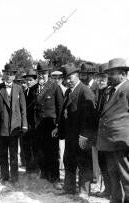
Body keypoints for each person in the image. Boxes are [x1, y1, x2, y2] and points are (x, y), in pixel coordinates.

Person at [58, 63, 97, 196]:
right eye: (66, 78)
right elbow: (65, 112)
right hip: (70, 135)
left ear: (77, 75)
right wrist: (59, 127)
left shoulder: (85, 91)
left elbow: (90, 116)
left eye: (70, 77)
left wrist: (84, 135)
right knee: (68, 161)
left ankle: (84, 192)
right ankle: (68, 188)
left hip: (81, 136)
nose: (68, 80)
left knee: (83, 164)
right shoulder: (69, 91)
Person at [0, 63, 27, 186]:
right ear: (4, 75)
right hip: (2, 125)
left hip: (15, 126)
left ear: (14, 76)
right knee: (3, 153)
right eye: (7, 74)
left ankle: (15, 178)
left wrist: (24, 124)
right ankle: (4, 177)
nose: (9, 76)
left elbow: (23, 108)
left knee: (14, 153)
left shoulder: (19, 88)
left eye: (11, 74)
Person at [97, 58, 129, 203]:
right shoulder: (110, 90)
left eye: (112, 73)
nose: (109, 76)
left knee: (125, 177)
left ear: (123, 74)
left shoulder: (127, 89)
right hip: (109, 141)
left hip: (122, 142)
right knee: (113, 175)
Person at [28, 62, 63, 187]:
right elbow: (30, 110)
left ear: (48, 74)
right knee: (39, 152)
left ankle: (55, 178)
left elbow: (60, 107)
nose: (41, 76)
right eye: (39, 73)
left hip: (50, 126)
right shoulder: (32, 89)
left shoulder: (54, 87)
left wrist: (58, 126)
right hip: (37, 127)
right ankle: (44, 174)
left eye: (43, 73)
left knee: (52, 153)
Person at [93, 62, 111, 199]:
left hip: (111, 136)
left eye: (103, 78)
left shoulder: (112, 92)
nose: (100, 80)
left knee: (112, 165)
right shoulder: (98, 92)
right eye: (98, 77)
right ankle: (108, 190)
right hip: (100, 136)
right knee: (102, 162)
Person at [22, 69, 39, 174]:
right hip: (26, 123)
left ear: (35, 80)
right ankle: (29, 168)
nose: (28, 82)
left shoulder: (37, 91)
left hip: (35, 124)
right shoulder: (25, 91)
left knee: (35, 147)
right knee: (26, 147)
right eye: (27, 80)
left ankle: (36, 169)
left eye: (30, 80)